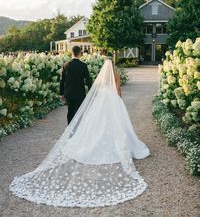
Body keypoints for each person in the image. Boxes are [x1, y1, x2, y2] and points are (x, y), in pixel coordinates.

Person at [10, 59, 150, 207]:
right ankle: (117, 142)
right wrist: (119, 100)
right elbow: (117, 89)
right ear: (113, 66)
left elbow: (97, 89)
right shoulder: (116, 74)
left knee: (99, 125)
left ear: (104, 67)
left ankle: (97, 142)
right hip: (112, 100)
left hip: (103, 100)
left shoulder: (101, 75)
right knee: (117, 124)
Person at [60, 46, 92, 124]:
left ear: (72, 52)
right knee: (79, 113)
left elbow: (62, 80)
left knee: (70, 112)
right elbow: (88, 80)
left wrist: (61, 93)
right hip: (79, 93)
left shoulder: (66, 65)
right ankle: (77, 130)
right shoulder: (83, 65)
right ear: (79, 53)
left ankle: (69, 130)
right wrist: (91, 91)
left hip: (69, 93)